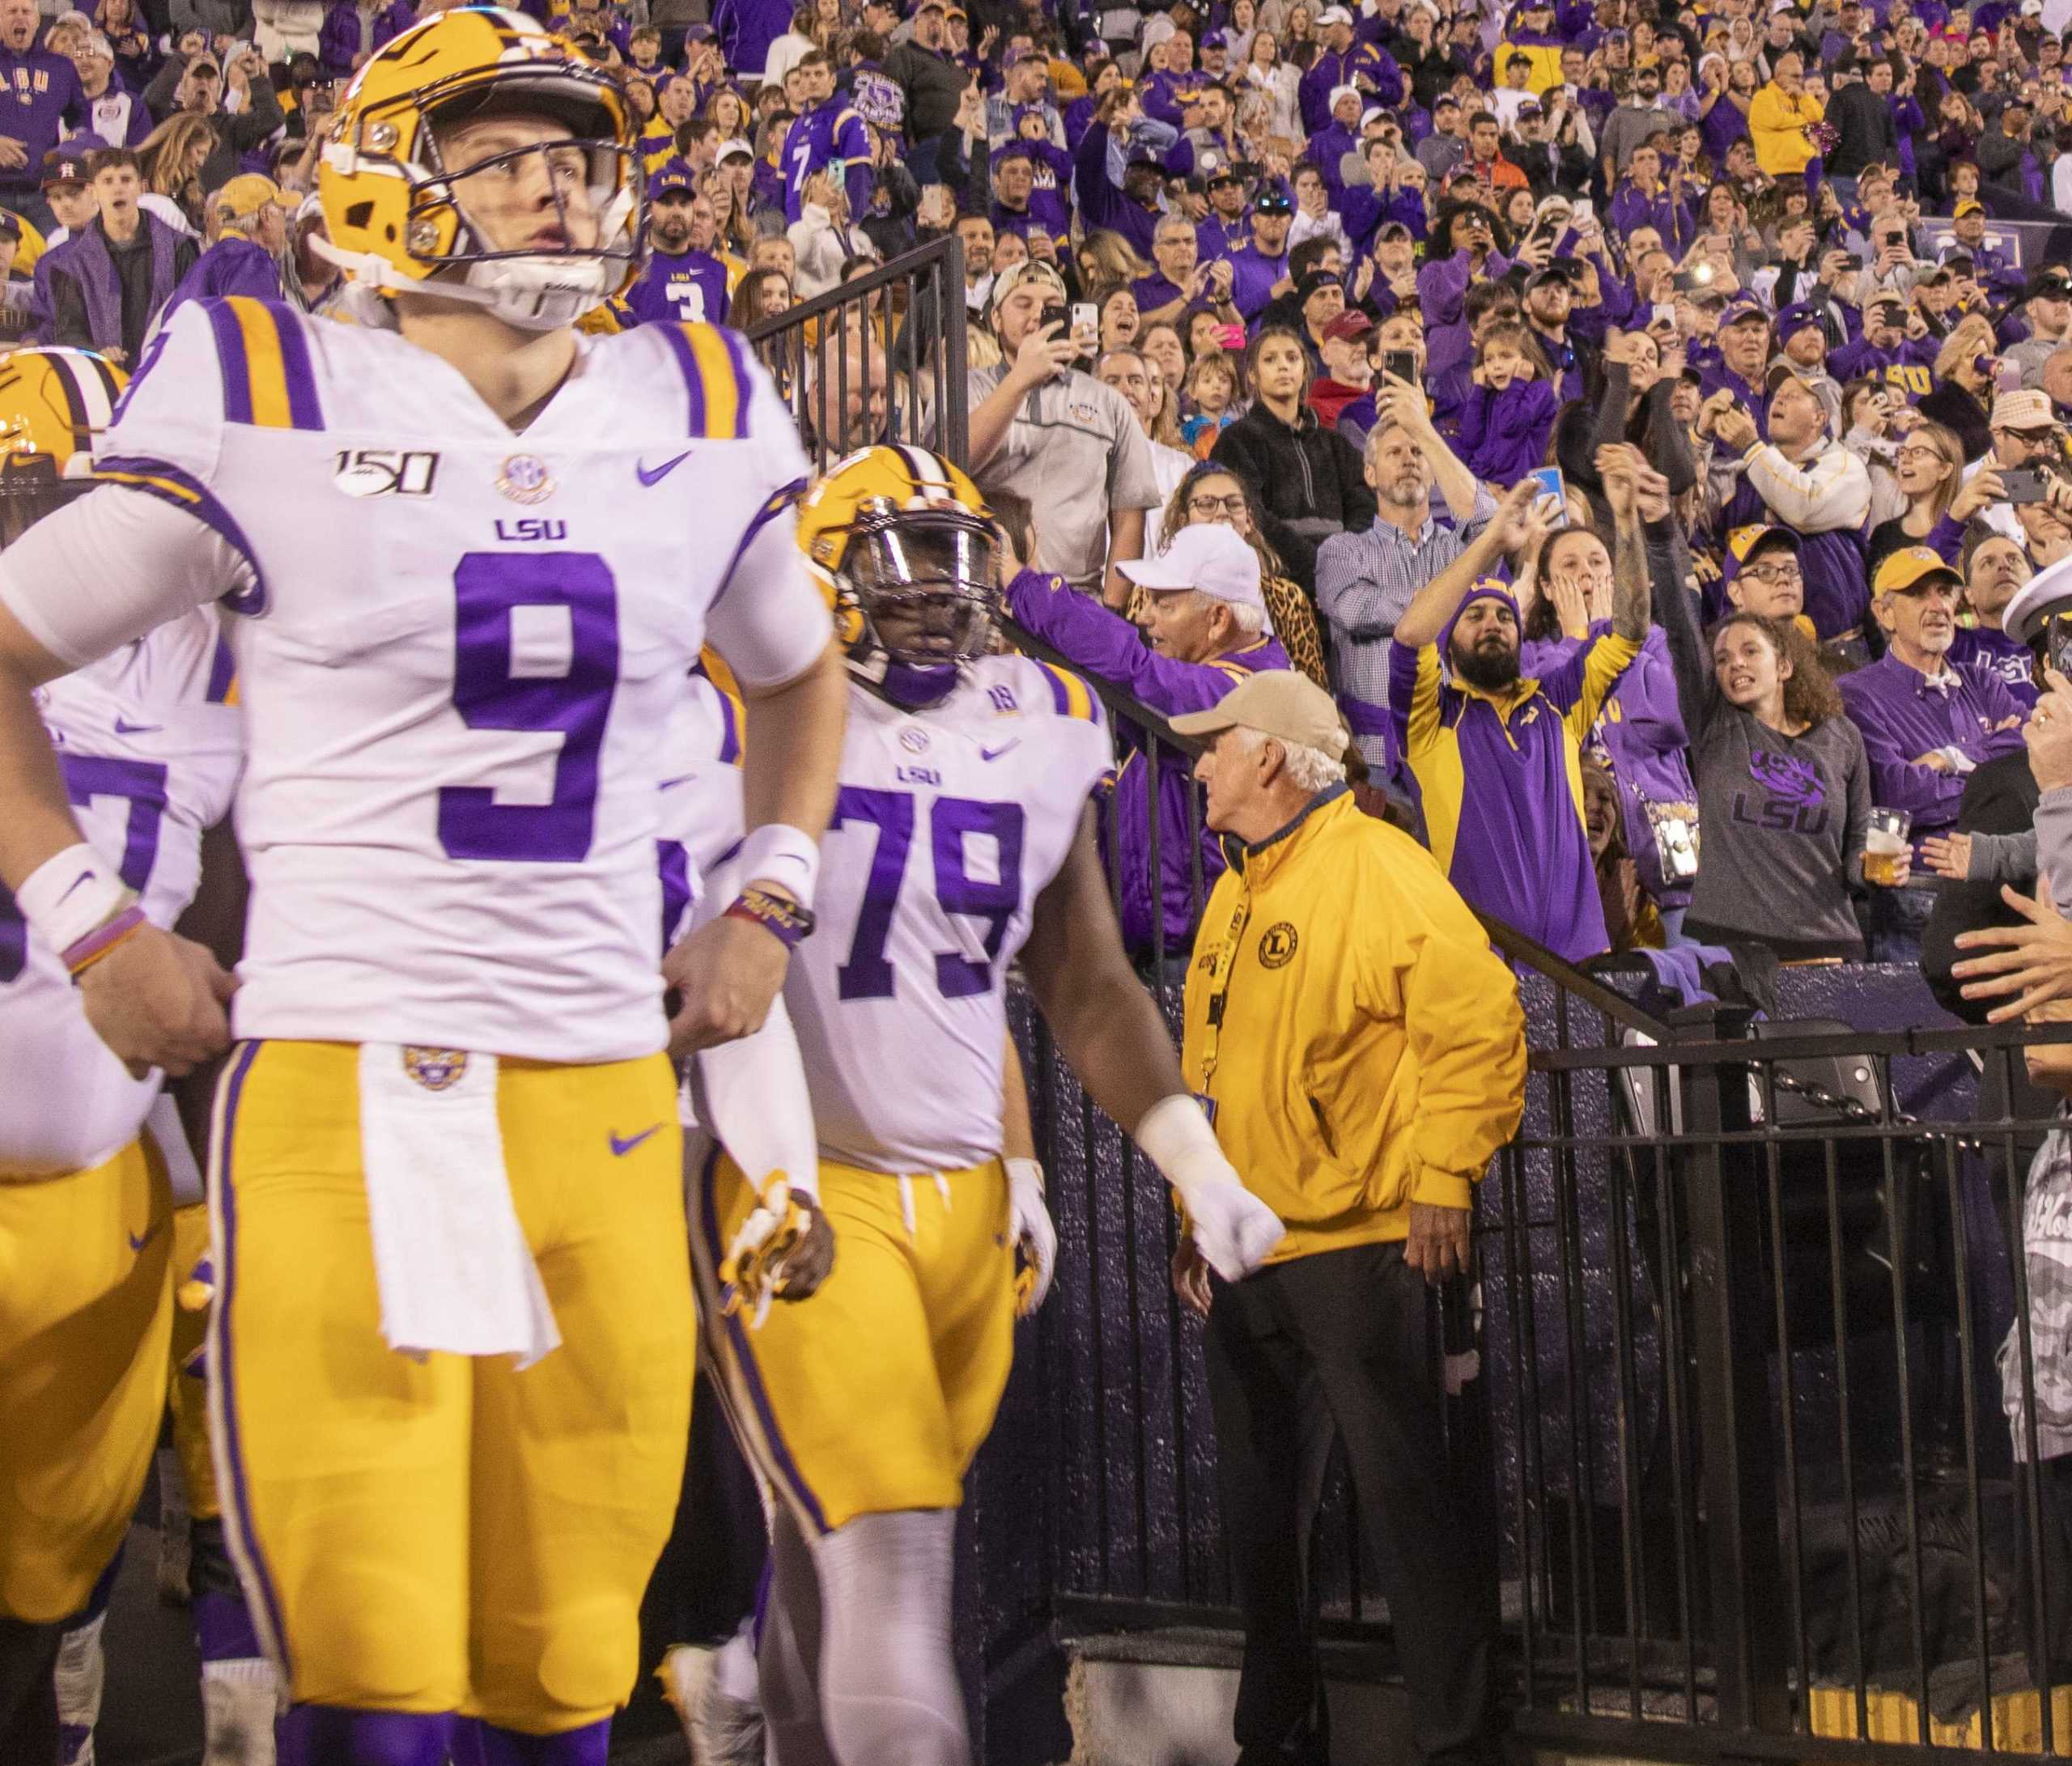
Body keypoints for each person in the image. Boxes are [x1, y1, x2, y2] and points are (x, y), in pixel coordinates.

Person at [0, 11, 854, 1758]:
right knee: (375, 1673)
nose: (558, 178)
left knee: (559, 1674)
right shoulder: (264, 379)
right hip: (346, 1091)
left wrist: (769, 889)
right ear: (385, 176)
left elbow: (797, 664)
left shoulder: (690, 393)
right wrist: (86, 920)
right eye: (502, 144)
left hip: (606, 1097)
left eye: (576, 146)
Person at [707, 448, 1283, 1766]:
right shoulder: (739, 712)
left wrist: (1170, 1158)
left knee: (828, 1569)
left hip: (962, 1190)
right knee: (893, 1553)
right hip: (807, 1182)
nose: (936, 597)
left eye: (958, 559)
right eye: (899, 559)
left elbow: (1077, 979)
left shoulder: (1036, 717)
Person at [1169, 664, 1525, 1766]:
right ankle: (1275, 1738)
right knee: (1260, 1521)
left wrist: (1443, 1178)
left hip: (1365, 1242)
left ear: (1270, 755)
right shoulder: (1237, 887)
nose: (1199, 762)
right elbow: (1214, 1064)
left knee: (1409, 1509)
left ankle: (1456, 1745)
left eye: (1216, 744)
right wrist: (1197, 1209)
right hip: (1250, 1246)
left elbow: (1476, 1021)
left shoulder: (1376, 861)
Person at [0, 348, 244, 1758]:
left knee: (43, 1587)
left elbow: (233, 918)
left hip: (101, 1159)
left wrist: (204, 1154)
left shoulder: (218, 647)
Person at [1389, 466, 1650, 964]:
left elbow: (1631, 630)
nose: (1494, 623)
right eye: (1475, 615)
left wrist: (1628, 524)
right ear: (1449, 645)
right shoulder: (1429, 719)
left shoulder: (1560, 700)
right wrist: (1493, 541)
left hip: (1581, 957)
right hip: (1478, 961)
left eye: (1505, 615)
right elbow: (1409, 635)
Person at [1007, 516, 1293, 958]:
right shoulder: (1209, 675)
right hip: (1161, 945)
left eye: (1164, 604)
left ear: (1218, 619)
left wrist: (1023, 585)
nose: (1144, 616)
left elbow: (1131, 667)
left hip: (1202, 956)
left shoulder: (1243, 692)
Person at [1841, 546, 2032, 961]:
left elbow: (2031, 747)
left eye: (1945, 592)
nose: (1938, 606)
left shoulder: (1982, 682)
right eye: (1918, 594)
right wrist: (1991, 783)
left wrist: (1950, 758)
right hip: (1918, 899)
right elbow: (1898, 793)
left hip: (2001, 890)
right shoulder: (1858, 694)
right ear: (1884, 612)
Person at [1314, 380, 1494, 767]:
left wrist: (1427, 433)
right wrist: (1441, 605)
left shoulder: (1457, 550)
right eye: (1395, 453)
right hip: (1375, 755)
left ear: (1433, 474)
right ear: (1370, 474)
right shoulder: (1343, 549)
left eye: (1417, 452)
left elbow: (1490, 526)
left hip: (1458, 751)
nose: (1409, 459)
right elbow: (1357, 610)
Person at [969, 259, 1157, 606]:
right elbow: (957, 461)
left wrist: (1111, 611)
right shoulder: (965, 389)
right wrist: (1020, 380)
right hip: (985, 596)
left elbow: (1129, 516)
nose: (1038, 314)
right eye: (1023, 304)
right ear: (996, 318)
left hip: (1075, 599)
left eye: (1051, 307)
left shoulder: (1106, 401)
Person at [1709, 362, 1874, 650]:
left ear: (1819, 418)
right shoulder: (1753, 468)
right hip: (1760, 646)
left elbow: (1804, 507)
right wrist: (1701, 435)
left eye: (1794, 396)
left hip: (1834, 649)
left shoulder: (1846, 466)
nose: (1780, 399)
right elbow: (1697, 514)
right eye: (1777, 396)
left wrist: (1750, 445)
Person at [1211, 325, 1377, 592]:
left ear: (1304, 370)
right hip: (1277, 581)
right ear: (1252, 375)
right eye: (1270, 360)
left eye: (1292, 358)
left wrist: (1342, 558)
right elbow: (1250, 513)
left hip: (1344, 578)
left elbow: (1364, 505)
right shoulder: (1237, 440)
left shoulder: (1334, 443)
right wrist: (1315, 566)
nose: (1283, 367)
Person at [44, 148, 197, 364]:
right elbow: (69, 332)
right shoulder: (73, 264)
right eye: (107, 181)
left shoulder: (178, 247)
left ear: (141, 188)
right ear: (92, 191)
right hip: (106, 380)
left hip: (168, 375)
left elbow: (194, 314)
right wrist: (97, 352)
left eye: (126, 180)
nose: (117, 188)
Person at [622, 168, 737, 325]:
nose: (676, 211)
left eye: (684, 204)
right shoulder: (630, 273)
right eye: (667, 203)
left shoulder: (718, 272)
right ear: (649, 209)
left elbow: (732, 334)